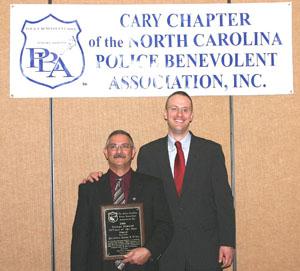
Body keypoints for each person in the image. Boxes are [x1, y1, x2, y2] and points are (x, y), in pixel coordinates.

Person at [84, 91, 236, 271]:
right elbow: (135, 194)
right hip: (165, 252)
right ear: (165, 114)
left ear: (191, 116)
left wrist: (227, 241)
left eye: (185, 110)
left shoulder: (211, 151)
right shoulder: (149, 153)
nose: (179, 114)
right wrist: (100, 182)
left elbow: (224, 200)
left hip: (205, 248)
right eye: (174, 109)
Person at [71, 130, 173, 271]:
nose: (119, 151)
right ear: (106, 152)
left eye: (125, 146)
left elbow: (165, 225)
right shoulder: (89, 189)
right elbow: (80, 239)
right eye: (113, 146)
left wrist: (149, 250)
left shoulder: (153, 186)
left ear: (133, 152)